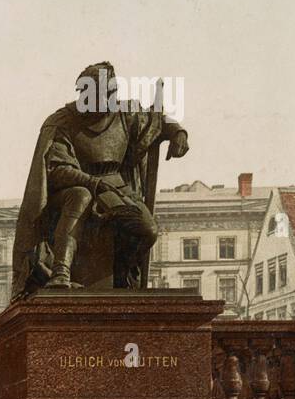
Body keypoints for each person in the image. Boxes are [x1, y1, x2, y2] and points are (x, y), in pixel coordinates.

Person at [11, 62, 189, 297]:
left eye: (112, 93)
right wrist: (93, 183)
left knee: (147, 230)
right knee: (81, 196)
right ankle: (60, 273)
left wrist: (177, 132)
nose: (111, 99)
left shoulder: (125, 114)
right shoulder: (62, 121)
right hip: (71, 190)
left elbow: (155, 121)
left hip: (116, 189)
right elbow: (56, 169)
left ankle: (123, 275)